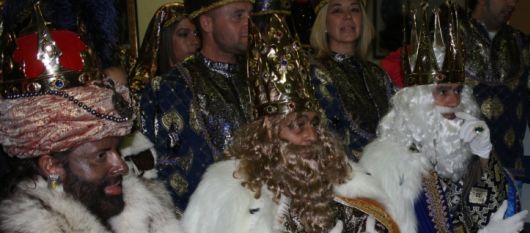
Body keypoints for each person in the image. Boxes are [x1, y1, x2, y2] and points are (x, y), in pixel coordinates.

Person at [181, 2, 399, 231]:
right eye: (297, 125)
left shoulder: (351, 193)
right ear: (268, 134)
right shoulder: (230, 197)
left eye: (315, 123)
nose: (311, 135)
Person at [0, 3, 183, 232]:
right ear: (52, 166)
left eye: (116, 150)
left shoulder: (146, 211)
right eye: (101, 155)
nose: (122, 167)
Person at [361, 2, 527, 232]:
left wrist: (484, 158)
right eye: (442, 91)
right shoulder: (389, 165)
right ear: (416, 100)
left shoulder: (459, 151)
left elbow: (488, 207)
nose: (453, 102)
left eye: (458, 91)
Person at [138, 0, 254, 212]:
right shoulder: (168, 88)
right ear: (207, 23)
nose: (249, 23)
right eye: (238, 15)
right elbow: (159, 178)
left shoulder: (260, 80)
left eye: (250, 15)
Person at [464, 0, 530, 183]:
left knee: (509, 212)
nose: (512, 3)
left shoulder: (524, 46)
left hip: (508, 167)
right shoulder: (449, 42)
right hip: (456, 168)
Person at [309, 0, 393, 161]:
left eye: (354, 10)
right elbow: (325, 137)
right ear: (324, 23)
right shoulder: (316, 73)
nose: (348, 16)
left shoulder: (378, 74)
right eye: (337, 11)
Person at [129, 2, 199, 103]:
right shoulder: (144, 89)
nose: (195, 41)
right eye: (184, 34)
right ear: (164, 39)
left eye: (196, 33)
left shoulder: (203, 81)